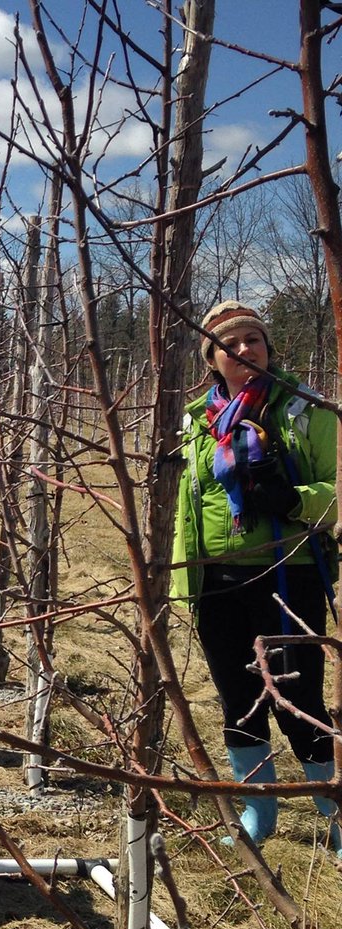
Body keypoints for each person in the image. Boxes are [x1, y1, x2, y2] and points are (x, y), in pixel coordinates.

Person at [173, 301, 338, 849]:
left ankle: (334, 812)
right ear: (213, 359)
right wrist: (183, 583)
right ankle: (258, 810)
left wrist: (292, 498)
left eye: (255, 339)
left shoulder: (304, 410)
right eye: (231, 343)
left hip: (289, 575)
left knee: (302, 700)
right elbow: (188, 507)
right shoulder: (200, 422)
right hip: (217, 580)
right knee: (236, 698)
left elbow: (335, 495)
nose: (246, 350)